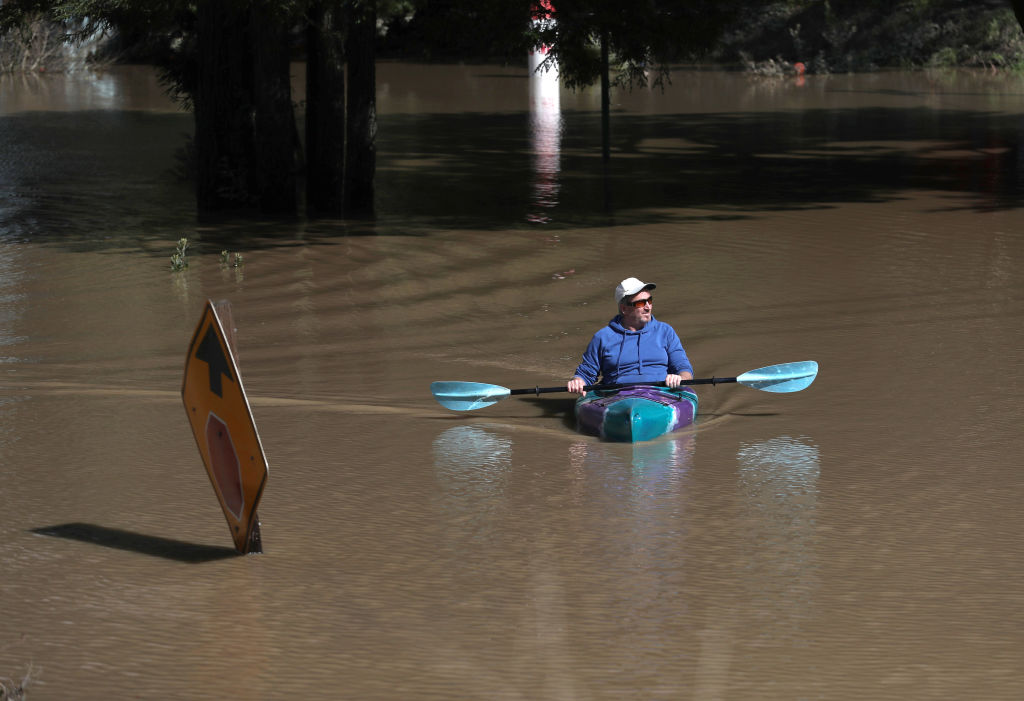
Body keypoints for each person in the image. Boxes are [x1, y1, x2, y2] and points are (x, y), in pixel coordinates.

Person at [567, 277, 693, 394]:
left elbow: (684, 368)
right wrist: (578, 381)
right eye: (640, 303)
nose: (648, 307)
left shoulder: (666, 331)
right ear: (624, 309)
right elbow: (586, 374)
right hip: (617, 397)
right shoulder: (602, 337)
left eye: (649, 301)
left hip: (660, 394)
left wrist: (680, 378)